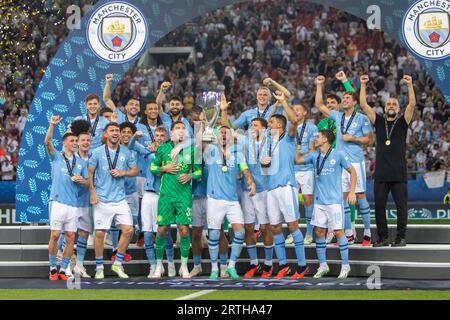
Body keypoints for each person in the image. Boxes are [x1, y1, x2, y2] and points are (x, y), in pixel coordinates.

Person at [315, 75, 374, 246]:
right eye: (344, 98)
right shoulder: (337, 116)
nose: (345, 100)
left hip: (355, 161)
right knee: (343, 199)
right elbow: (319, 105)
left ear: (354, 102)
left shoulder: (361, 118)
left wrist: (354, 138)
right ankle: (348, 234)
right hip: (340, 164)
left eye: (348, 97)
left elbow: (369, 139)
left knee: (360, 197)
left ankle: (368, 234)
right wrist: (319, 85)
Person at [359, 74, 416, 247]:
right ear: (385, 108)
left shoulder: (403, 122)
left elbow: (412, 104)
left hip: (399, 172)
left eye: (394, 104)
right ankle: (383, 238)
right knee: (379, 208)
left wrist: (410, 85)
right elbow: (363, 105)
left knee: (401, 207)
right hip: (382, 173)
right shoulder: (379, 121)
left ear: (398, 109)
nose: (391, 106)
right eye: (389, 104)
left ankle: (401, 237)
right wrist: (362, 85)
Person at [296, 130, 356, 279]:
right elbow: (297, 160)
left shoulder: (338, 154)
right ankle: (323, 265)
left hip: (335, 202)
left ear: (326, 139)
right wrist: (294, 145)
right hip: (319, 202)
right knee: (319, 232)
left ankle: (346, 265)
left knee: (338, 232)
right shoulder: (314, 155)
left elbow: (353, 172)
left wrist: (352, 191)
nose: (315, 139)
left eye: (318, 137)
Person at [262, 91, 309, 279]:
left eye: (272, 122)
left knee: (292, 225)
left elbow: (294, 121)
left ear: (279, 125)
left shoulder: (289, 138)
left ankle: (302, 265)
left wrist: (282, 102)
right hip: (271, 188)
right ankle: (282, 265)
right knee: (274, 227)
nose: (269, 124)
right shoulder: (268, 142)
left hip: (286, 186)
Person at [150, 121, 202, 278]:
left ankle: (184, 266)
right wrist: (163, 168)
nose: (181, 131)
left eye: (183, 128)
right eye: (177, 128)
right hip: (165, 196)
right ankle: (159, 266)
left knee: (184, 230)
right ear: (171, 132)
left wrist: (191, 175)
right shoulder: (163, 149)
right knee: (161, 230)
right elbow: (152, 168)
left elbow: (199, 172)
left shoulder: (192, 150)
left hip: (184, 196)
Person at [203, 124, 256, 279]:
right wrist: (204, 126)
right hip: (214, 199)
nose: (223, 135)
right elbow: (201, 144)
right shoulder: (211, 150)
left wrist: (251, 182)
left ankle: (231, 266)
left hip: (232, 200)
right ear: (216, 136)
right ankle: (214, 269)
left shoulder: (238, 153)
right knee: (213, 235)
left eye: (226, 133)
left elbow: (245, 170)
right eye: (221, 133)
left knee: (240, 232)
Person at [88, 122, 139, 279]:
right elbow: (89, 173)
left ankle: (117, 264)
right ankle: (99, 267)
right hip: (102, 199)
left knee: (129, 230)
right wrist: (92, 192)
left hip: (120, 198)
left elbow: (135, 170)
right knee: (100, 233)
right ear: (105, 134)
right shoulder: (97, 152)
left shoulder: (126, 151)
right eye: (112, 130)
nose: (116, 133)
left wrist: (123, 172)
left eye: (117, 130)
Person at [45, 116, 89, 281]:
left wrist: (82, 180)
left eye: (76, 141)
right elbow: (47, 142)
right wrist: (52, 125)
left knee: (71, 237)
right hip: (57, 202)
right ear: (64, 143)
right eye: (72, 141)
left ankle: (63, 270)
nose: (75, 143)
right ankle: (52, 268)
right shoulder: (56, 156)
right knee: (56, 235)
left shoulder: (81, 163)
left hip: (73, 205)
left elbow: (86, 183)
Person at [129, 126, 175, 277]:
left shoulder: (172, 152)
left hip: (164, 195)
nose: (160, 137)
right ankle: (154, 266)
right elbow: (130, 146)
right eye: (158, 135)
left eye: (163, 135)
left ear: (167, 136)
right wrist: (135, 136)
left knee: (164, 231)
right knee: (148, 233)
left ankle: (171, 264)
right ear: (154, 137)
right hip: (148, 195)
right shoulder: (148, 151)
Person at [240, 117, 275, 278]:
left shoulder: (271, 143)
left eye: (255, 126)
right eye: (251, 126)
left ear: (264, 128)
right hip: (247, 189)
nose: (252, 128)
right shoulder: (246, 143)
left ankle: (268, 264)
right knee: (248, 227)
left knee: (264, 227)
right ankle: (254, 263)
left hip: (264, 190)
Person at [69, 119, 93, 278]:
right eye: (82, 140)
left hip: (87, 202)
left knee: (84, 233)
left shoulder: (94, 157)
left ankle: (79, 265)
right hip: (71, 202)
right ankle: (65, 266)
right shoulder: (69, 158)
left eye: (88, 140)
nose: (85, 143)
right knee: (69, 234)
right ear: (77, 142)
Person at [293, 103, 318, 245]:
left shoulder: (312, 128)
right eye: (294, 110)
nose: (295, 112)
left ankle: (309, 233)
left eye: (298, 110)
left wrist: (298, 155)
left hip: (307, 169)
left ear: (304, 113)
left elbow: (312, 150)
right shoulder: (289, 127)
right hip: (292, 169)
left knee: (308, 201)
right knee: (292, 203)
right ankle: (294, 233)